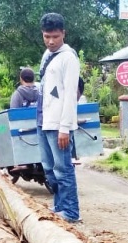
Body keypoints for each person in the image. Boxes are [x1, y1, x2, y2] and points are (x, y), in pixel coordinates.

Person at [37, 12, 81, 223]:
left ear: (63, 33)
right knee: (48, 169)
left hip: (59, 124)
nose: (51, 41)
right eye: (47, 36)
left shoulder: (69, 58)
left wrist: (65, 128)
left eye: (55, 36)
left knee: (62, 168)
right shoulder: (47, 55)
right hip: (43, 120)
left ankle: (71, 212)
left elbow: (70, 95)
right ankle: (59, 207)